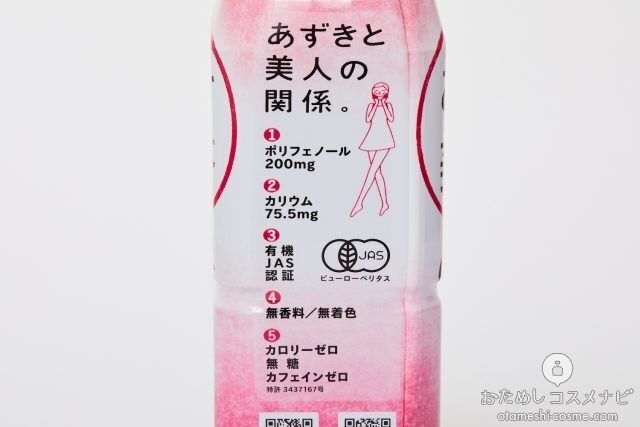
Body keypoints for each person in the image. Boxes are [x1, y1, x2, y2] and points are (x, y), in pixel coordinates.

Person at [350, 82, 395, 217]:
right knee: (376, 173)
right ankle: (385, 203)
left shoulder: (389, 105)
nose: (379, 94)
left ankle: (359, 202)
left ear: (386, 93)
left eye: (381, 91)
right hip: (371, 138)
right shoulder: (371, 105)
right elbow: (368, 119)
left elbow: (391, 118)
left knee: (372, 171)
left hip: (385, 138)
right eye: (376, 91)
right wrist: (376, 105)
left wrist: (384, 105)